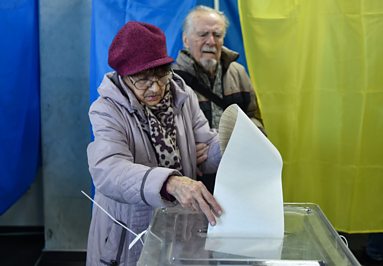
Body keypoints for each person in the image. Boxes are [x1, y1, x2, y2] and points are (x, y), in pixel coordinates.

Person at [86, 21, 223, 266]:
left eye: (161, 74)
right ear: (125, 76)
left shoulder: (182, 96)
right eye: (142, 79)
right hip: (129, 232)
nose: (156, 87)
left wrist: (230, 148)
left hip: (179, 228)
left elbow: (207, 146)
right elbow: (107, 170)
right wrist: (169, 182)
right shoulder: (106, 109)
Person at [173, 5, 264, 192]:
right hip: (193, 182)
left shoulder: (238, 73)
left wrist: (239, 141)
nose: (211, 41)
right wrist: (186, 151)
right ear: (186, 40)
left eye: (217, 35)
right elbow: (163, 134)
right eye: (203, 34)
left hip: (237, 176)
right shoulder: (173, 81)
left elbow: (255, 118)